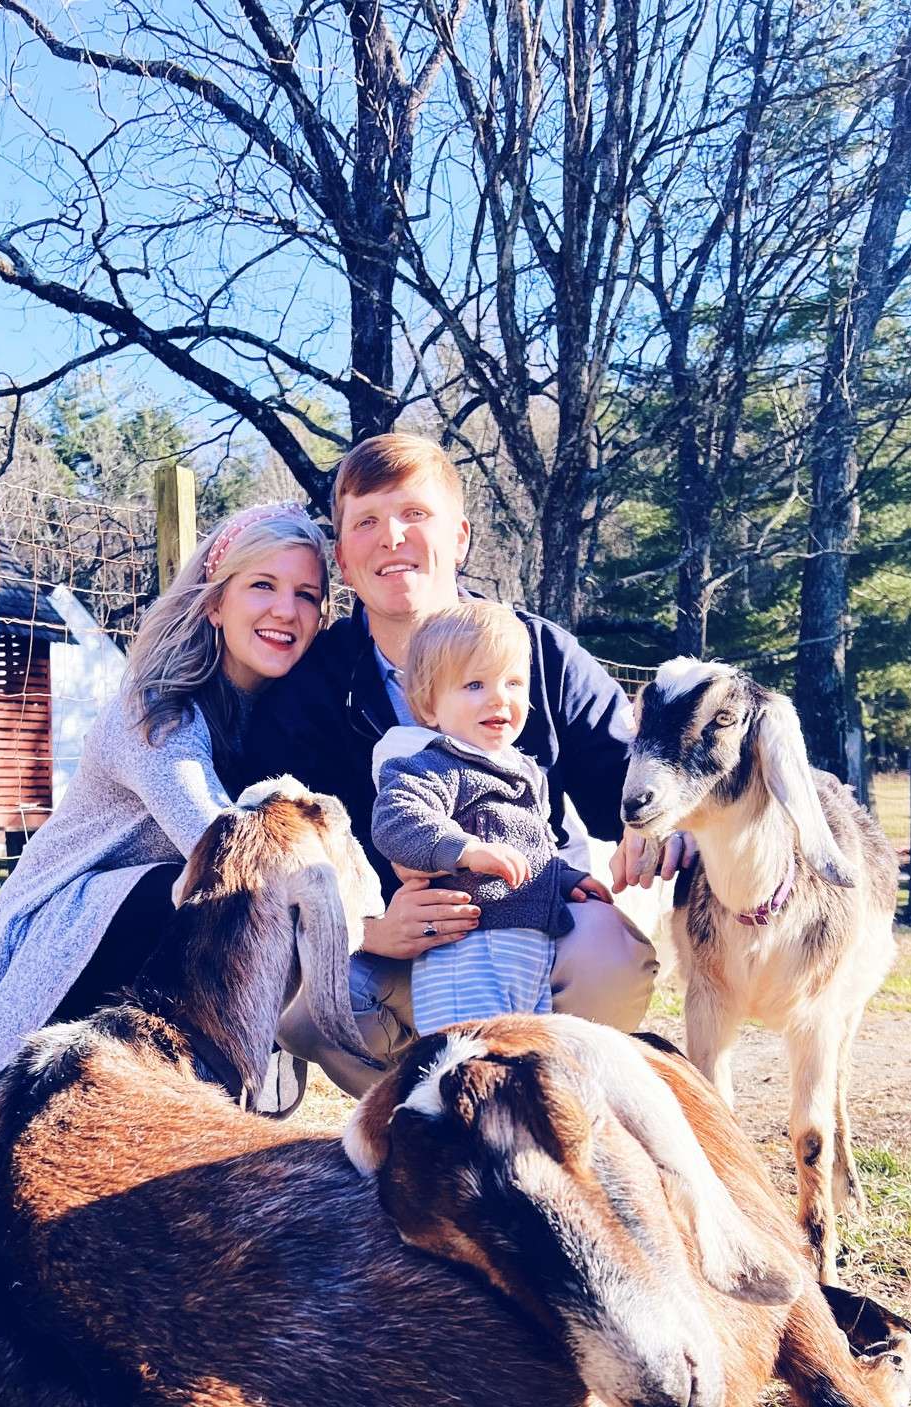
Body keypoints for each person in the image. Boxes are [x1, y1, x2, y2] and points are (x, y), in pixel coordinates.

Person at [238, 432, 686, 1096]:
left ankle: (554, 1103)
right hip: (399, 944)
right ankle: (416, 1123)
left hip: (532, 917)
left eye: (414, 514)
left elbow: (624, 780)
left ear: (461, 538)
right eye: (366, 521)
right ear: (343, 559)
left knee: (611, 958)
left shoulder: (539, 651)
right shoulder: (312, 688)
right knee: (304, 1011)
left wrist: (657, 824)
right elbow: (284, 853)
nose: (391, 537)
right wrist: (365, 929)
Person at [0, 502, 330, 1099]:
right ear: (214, 603)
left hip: (137, 950)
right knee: (207, 880)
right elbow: (217, 842)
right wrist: (366, 928)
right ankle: (29, 1075)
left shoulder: (283, 724)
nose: (286, 609)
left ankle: (180, 1081)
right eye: (263, 585)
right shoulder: (155, 712)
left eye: (307, 594)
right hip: (52, 945)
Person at [371, 601, 615, 1033]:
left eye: (514, 682)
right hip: (468, 954)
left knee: (520, 1057)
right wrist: (464, 849)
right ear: (429, 707)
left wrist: (564, 878)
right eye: (475, 685)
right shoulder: (431, 765)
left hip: (529, 954)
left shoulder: (524, 772)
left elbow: (529, 850)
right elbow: (396, 821)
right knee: (470, 1056)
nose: (499, 697)